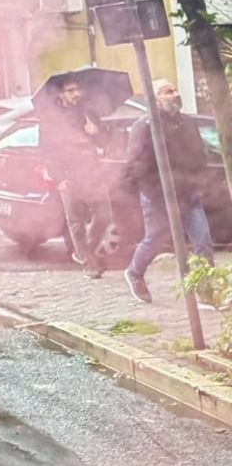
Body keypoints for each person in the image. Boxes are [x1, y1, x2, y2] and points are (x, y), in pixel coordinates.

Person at [123, 80, 216, 303]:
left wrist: (199, 184)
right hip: (158, 195)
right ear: (155, 99)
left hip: (189, 193)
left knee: (202, 238)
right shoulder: (144, 126)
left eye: (175, 90)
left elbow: (199, 156)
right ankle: (135, 272)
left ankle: (205, 291)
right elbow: (135, 165)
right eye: (168, 92)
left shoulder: (187, 123)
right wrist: (155, 193)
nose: (174, 95)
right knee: (156, 238)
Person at [42, 76, 110, 276]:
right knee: (75, 221)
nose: (76, 94)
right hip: (67, 175)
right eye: (71, 90)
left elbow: (104, 143)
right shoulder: (51, 119)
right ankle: (87, 261)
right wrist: (58, 178)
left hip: (91, 173)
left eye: (78, 89)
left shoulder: (88, 114)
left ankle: (85, 250)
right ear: (61, 94)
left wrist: (96, 133)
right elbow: (46, 151)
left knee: (104, 214)